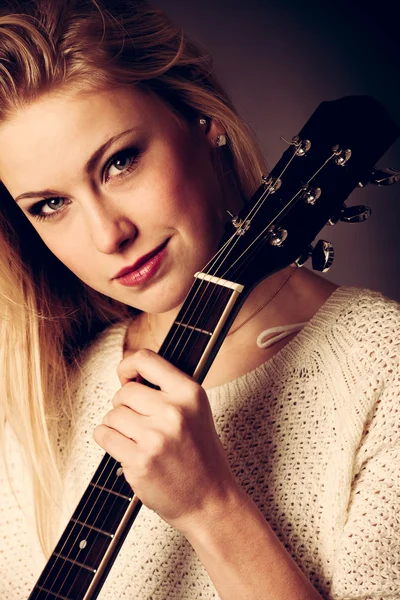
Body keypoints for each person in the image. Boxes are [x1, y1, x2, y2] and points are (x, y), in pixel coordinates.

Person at [0, 0, 399, 598]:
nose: (109, 236)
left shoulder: (383, 364)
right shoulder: (44, 395)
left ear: (201, 118)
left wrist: (211, 507)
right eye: (50, 205)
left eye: (120, 163)